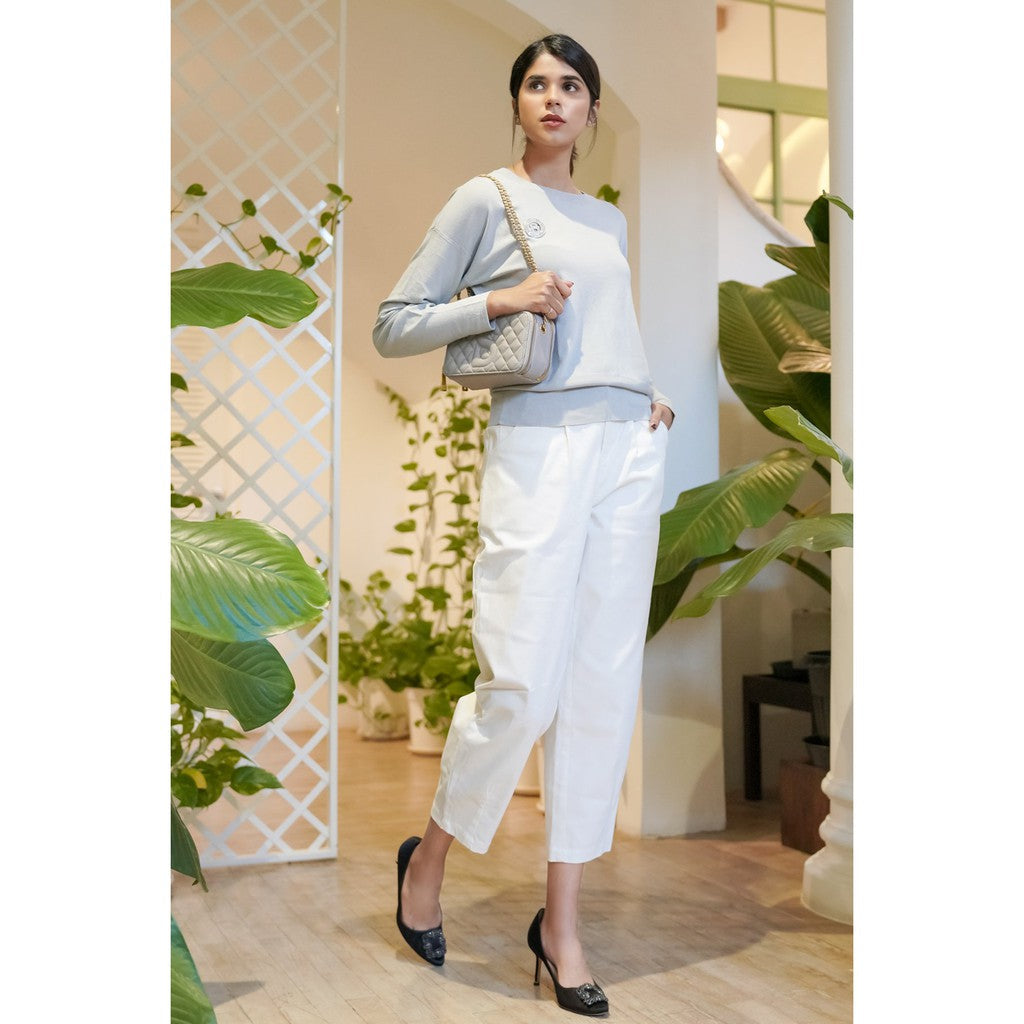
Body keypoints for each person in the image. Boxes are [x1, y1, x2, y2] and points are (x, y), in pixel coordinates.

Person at [372, 33, 673, 1018]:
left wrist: (645, 392)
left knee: (600, 687)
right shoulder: (485, 197)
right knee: (521, 685)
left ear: (591, 108)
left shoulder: (605, 217)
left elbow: (607, 335)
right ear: (517, 104)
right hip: (538, 445)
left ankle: (563, 926)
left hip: (626, 446)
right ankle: (428, 861)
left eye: (571, 85)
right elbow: (394, 323)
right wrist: (499, 297)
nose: (554, 98)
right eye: (537, 83)